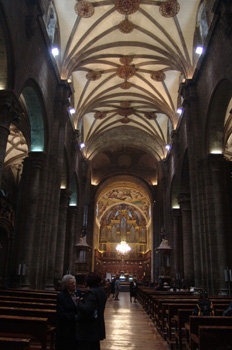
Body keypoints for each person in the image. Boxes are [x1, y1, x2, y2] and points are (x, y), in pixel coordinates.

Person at [76, 272, 107, 350]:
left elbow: (87, 309)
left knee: (87, 346)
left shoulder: (92, 292)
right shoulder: (101, 291)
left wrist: (79, 303)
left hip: (89, 327)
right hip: (97, 324)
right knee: (95, 346)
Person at [56, 274, 78, 350]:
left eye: (74, 283)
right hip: (66, 327)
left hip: (76, 327)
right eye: (71, 283)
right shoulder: (61, 296)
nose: (74, 285)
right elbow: (61, 312)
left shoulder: (78, 293)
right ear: (66, 285)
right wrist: (74, 317)